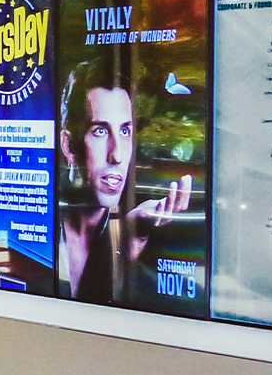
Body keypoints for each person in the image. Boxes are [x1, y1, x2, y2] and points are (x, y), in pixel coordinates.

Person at [55, 58, 192, 303]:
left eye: (125, 131)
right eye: (100, 130)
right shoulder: (39, 229)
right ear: (69, 146)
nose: (117, 155)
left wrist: (130, 241)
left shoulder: (144, 243)